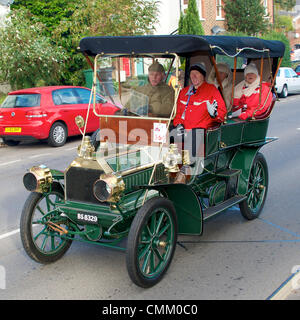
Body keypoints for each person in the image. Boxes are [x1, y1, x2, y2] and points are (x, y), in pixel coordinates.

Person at [172, 63, 227, 183]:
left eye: (197, 74)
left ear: (203, 76)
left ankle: (185, 173)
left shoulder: (211, 90)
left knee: (193, 137)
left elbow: (222, 113)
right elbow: (178, 113)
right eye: (192, 74)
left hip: (201, 130)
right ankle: (168, 170)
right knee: (168, 136)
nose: (194, 76)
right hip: (184, 128)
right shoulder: (184, 92)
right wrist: (178, 124)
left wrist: (214, 114)